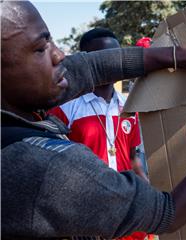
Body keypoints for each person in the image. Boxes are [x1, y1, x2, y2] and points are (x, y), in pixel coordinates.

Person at [1, 1, 186, 239]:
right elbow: (166, 211)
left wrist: (183, 56)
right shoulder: (46, 167)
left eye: (51, 42)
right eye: (39, 49)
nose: (59, 55)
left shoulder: (20, 103)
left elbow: (93, 67)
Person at [48, 28, 149, 240]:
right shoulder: (65, 107)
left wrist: (148, 195)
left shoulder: (129, 106)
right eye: (103, 58)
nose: (111, 64)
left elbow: (133, 157)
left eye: (116, 56)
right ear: (85, 60)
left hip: (128, 208)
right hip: (87, 214)